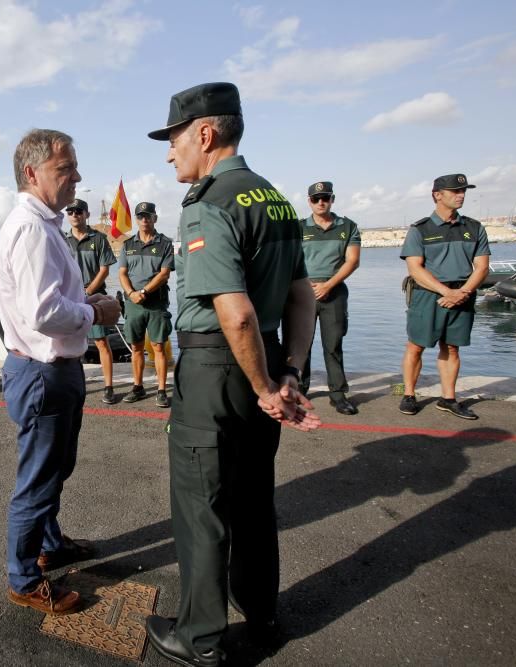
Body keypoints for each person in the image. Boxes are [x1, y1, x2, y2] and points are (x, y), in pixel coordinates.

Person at [143, 82, 321, 666]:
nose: (170, 153)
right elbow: (302, 296)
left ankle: (198, 639)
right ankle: (261, 615)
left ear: (204, 133)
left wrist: (265, 386)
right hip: (263, 358)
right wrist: (288, 371)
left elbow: (235, 313)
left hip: (219, 368)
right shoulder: (275, 199)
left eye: (172, 139)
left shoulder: (209, 202)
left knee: (203, 505)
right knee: (252, 499)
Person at [0, 128, 121, 616]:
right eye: (65, 168)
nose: (77, 177)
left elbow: (49, 301)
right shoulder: (31, 229)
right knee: (38, 480)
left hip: (54, 369)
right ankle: (24, 579)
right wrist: (97, 314)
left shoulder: (44, 224)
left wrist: (84, 302)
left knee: (55, 469)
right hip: (43, 372)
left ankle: (48, 544)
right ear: (32, 173)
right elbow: (43, 313)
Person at [399, 173, 490, 420]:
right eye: (454, 191)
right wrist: (446, 292)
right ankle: (409, 395)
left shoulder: (473, 227)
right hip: (428, 295)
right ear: (437, 195)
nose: (460, 195)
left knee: (452, 347)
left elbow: (482, 267)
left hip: (463, 293)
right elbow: (415, 268)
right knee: (415, 345)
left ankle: (448, 398)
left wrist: (463, 292)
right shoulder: (420, 229)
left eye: (463, 192)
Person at [299, 181, 361, 415]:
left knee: (333, 345)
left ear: (332, 199)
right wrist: (307, 285)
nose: (321, 202)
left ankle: (337, 394)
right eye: (316, 199)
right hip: (303, 293)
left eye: (325, 198)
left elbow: (352, 261)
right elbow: (290, 260)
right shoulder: (298, 228)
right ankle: (300, 389)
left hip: (334, 292)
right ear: (309, 201)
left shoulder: (347, 226)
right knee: (300, 345)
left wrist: (328, 285)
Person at [118, 202, 175, 407]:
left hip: (156, 303)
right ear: (137, 219)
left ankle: (161, 390)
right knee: (136, 347)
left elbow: (164, 273)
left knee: (158, 346)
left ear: (154, 218)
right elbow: (122, 273)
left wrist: (143, 291)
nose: (144, 220)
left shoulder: (165, 243)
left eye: (148, 216)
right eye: (140, 216)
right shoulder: (128, 245)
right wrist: (131, 293)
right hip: (133, 304)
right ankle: (138, 387)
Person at [64, 197, 120, 404]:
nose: (74, 215)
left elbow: (105, 269)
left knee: (101, 343)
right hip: (70, 298)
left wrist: (88, 291)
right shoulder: (63, 240)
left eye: (79, 211)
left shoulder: (98, 239)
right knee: (71, 343)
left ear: (87, 214)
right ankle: (74, 384)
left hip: (95, 297)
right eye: (70, 212)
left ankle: (108, 387)